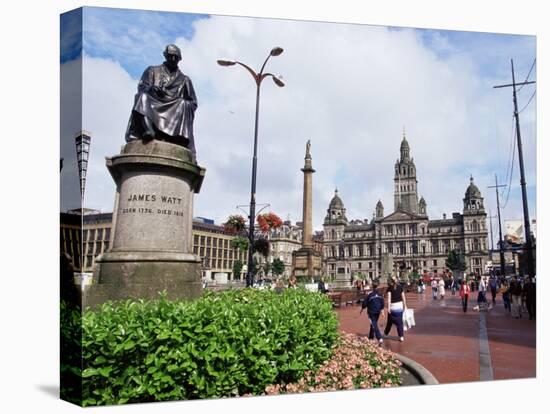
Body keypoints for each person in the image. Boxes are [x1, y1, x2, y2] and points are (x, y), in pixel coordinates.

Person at [125, 44, 198, 154]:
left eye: (176, 57)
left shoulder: (185, 80)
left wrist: (180, 101)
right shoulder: (152, 70)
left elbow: (193, 102)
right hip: (154, 101)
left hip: (174, 106)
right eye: (170, 56)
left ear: (179, 59)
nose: (173, 59)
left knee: (183, 103)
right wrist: (151, 89)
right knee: (142, 96)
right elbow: (142, 87)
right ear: (165, 56)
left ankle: (175, 136)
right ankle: (148, 129)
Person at [384, 277, 407, 342]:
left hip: (392, 306)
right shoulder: (400, 287)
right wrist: (405, 305)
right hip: (400, 306)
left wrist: (388, 308)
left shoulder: (389, 288)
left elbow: (389, 299)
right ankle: (401, 336)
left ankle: (386, 334)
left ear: (391, 281)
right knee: (399, 323)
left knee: (389, 321)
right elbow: (403, 297)